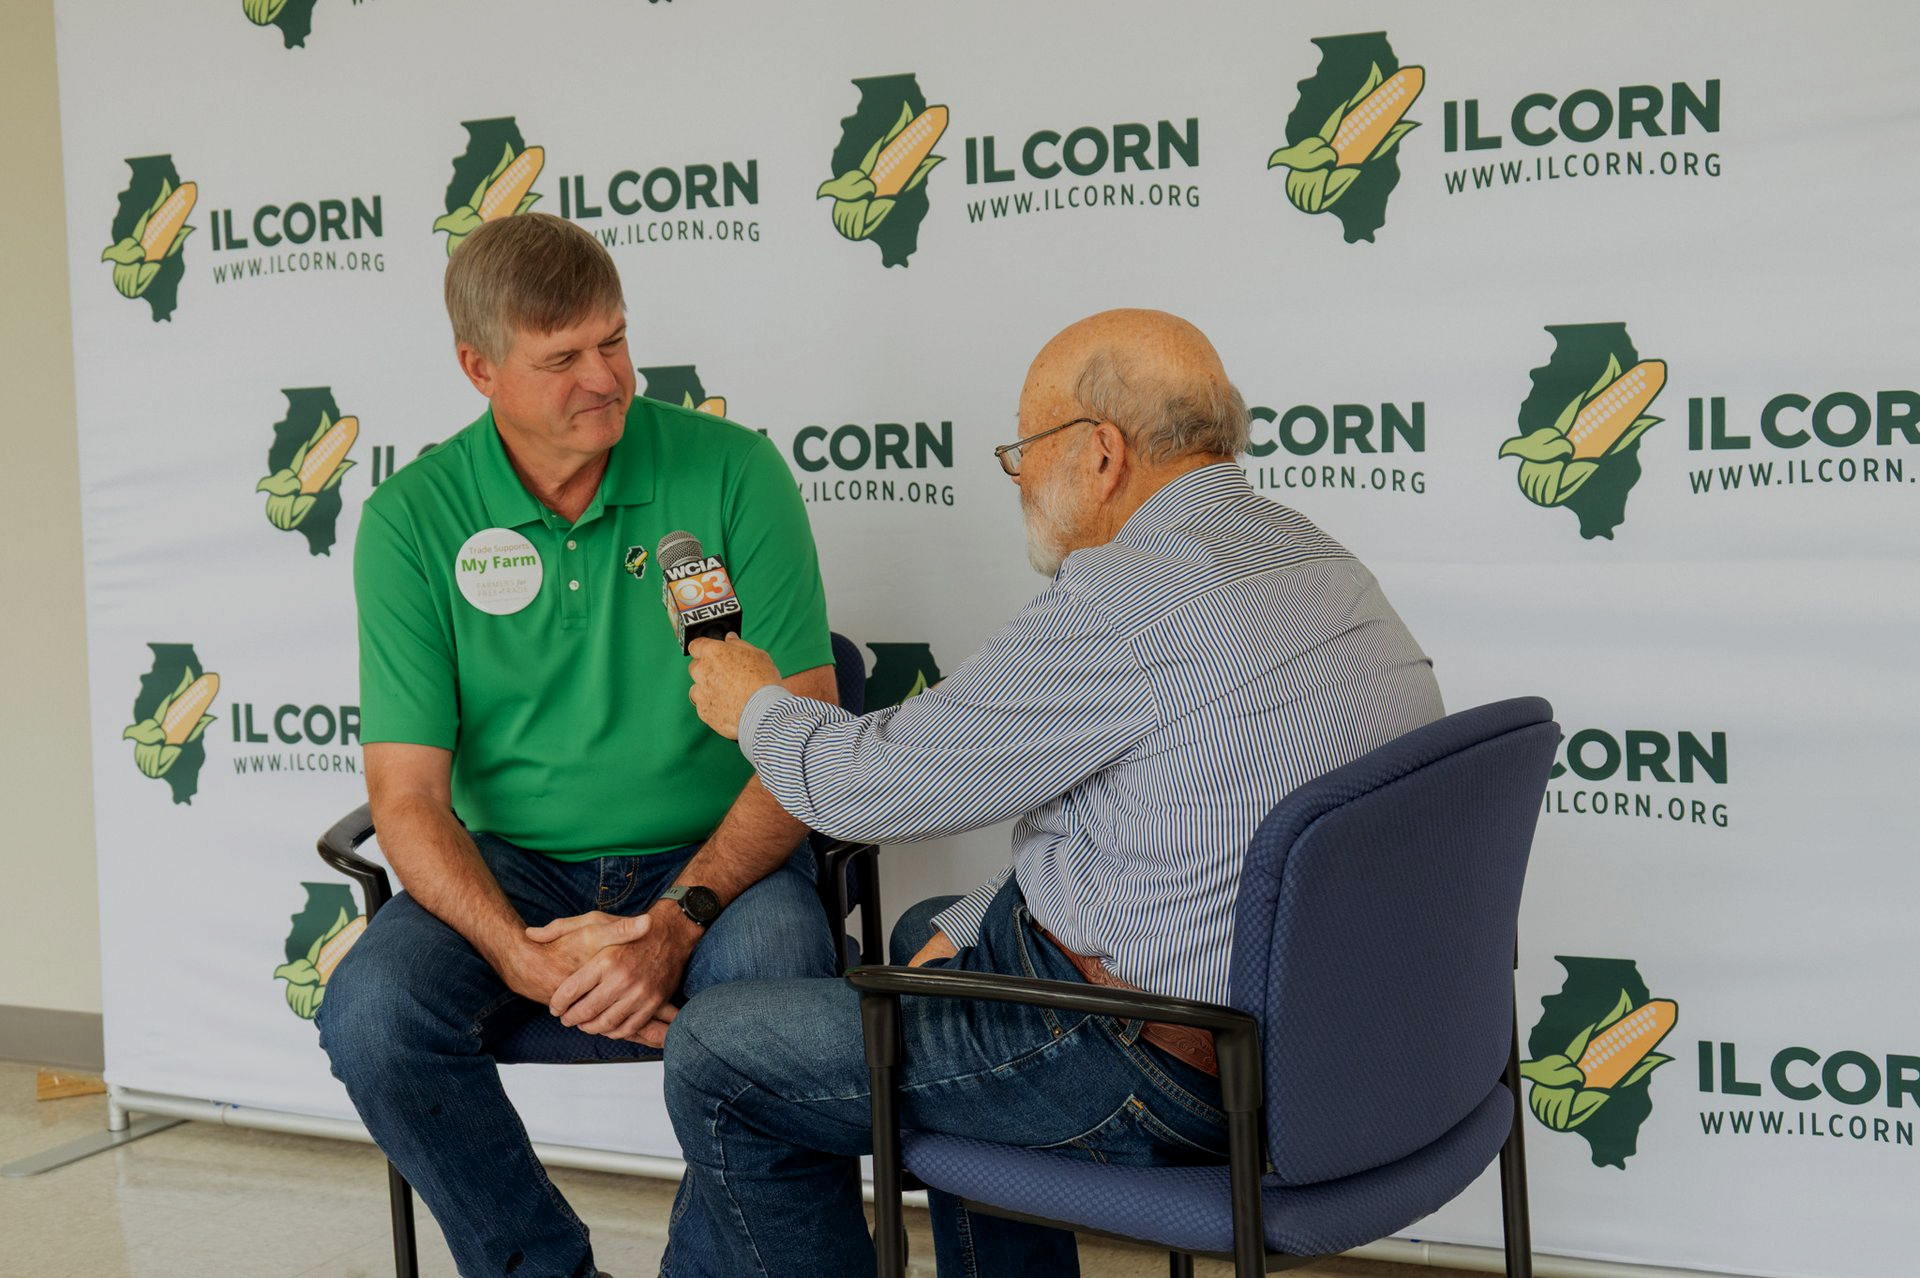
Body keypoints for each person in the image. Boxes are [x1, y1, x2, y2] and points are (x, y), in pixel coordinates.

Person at [669, 308, 1446, 1277]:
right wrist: (985, 919)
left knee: (721, 1049)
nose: (1021, 479)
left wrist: (755, 705)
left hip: (1162, 1063)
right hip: (1343, 1049)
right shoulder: (1315, 560)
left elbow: (859, 789)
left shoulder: (1126, 608)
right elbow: (1149, 817)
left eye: (1023, 451)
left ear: (1101, 453)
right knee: (928, 932)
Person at [316, 212, 841, 1278]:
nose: (606, 377)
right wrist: (517, 952)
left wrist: (676, 923)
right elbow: (408, 796)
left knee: (781, 995)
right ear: (479, 368)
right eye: (563, 358)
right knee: (371, 1014)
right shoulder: (413, 519)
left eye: (614, 340)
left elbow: (808, 738)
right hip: (513, 865)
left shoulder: (733, 471)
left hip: (719, 855)